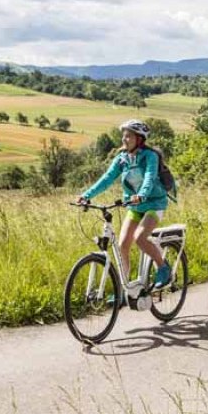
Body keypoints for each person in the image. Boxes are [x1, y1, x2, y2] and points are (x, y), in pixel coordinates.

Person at [77, 119, 172, 291]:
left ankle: (163, 267)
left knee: (140, 238)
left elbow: (149, 177)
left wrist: (142, 195)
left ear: (139, 139)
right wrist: (86, 195)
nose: (124, 139)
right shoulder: (122, 159)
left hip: (153, 203)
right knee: (122, 245)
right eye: (124, 136)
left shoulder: (150, 156)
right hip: (134, 206)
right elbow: (106, 179)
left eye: (129, 136)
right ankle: (124, 289)